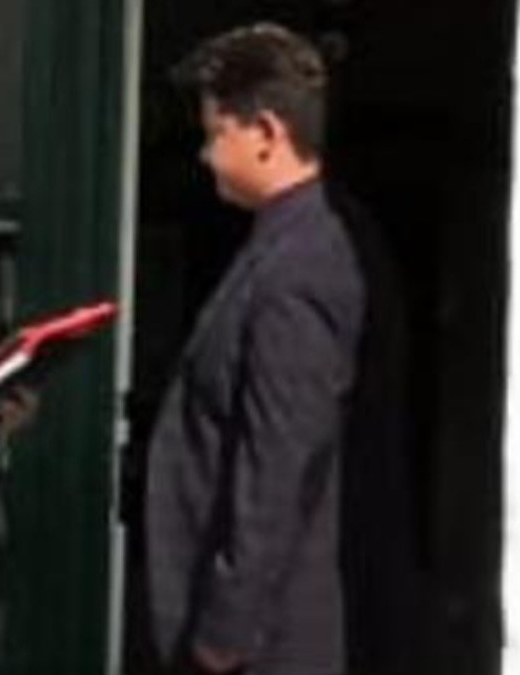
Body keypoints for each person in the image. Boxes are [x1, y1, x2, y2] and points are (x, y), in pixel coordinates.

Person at [142, 24, 365, 675]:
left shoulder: (301, 266)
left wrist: (224, 635)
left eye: (216, 134)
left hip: (261, 647)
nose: (205, 156)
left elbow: (278, 462)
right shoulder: (278, 248)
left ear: (266, 133)